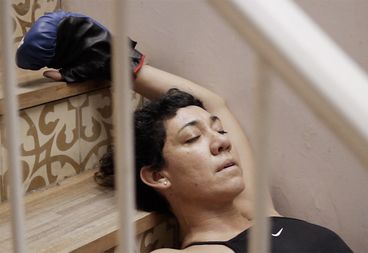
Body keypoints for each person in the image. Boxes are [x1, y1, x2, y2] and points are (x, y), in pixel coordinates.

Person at [18, 11, 353, 253]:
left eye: (217, 132)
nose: (223, 142)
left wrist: (115, 61)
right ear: (158, 176)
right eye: (192, 138)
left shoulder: (259, 212)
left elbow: (212, 101)